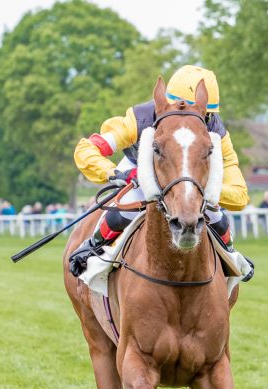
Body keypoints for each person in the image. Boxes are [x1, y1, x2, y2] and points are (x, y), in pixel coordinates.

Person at [69, 65, 252, 279]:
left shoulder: (218, 133)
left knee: (217, 218)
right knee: (123, 210)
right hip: (139, 170)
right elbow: (87, 149)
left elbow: (240, 195)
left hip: (191, 180)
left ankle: (230, 255)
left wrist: (200, 188)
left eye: (203, 114)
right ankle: (94, 246)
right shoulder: (139, 119)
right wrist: (113, 173)